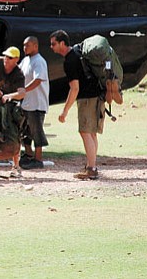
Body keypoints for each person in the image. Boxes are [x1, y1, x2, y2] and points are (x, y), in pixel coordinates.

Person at [50, 30, 104, 180]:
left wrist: (64, 111)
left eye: (53, 44)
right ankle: (90, 165)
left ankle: (91, 169)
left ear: (62, 43)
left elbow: (75, 88)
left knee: (85, 132)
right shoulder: (78, 52)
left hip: (87, 98)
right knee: (91, 132)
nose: (51, 47)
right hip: (98, 95)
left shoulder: (70, 60)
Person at [0, 46, 25, 174]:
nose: (6, 59)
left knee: (14, 134)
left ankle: (16, 166)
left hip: (9, 108)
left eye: (10, 58)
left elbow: (22, 93)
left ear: (16, 60)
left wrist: (9, 96)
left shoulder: (18, 74)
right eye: (5, 56)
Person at [19, 36, 50, 170]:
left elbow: (38, 80)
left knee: (37, 131)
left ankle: (38, 159)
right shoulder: (26, 60)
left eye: (27, 45)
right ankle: (28, 154)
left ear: (35, 46)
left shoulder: (39, 61)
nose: (25, 48)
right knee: (26, 131)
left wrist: (24, 90)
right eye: (24, 45)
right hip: (26, 103)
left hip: (37, 103)